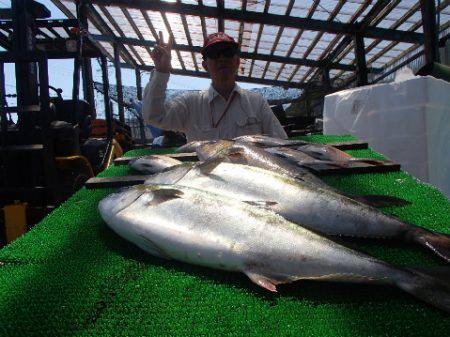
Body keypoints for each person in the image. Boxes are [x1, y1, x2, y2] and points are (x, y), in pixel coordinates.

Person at [142, 31, 287, 142]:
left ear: (237, 62)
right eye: (214, 53)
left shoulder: (257, 102)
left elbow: (281, 143)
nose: (222, 58)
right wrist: (161, 72)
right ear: (205, 65)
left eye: (228, 52)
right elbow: (154, 117)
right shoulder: (190, 104)